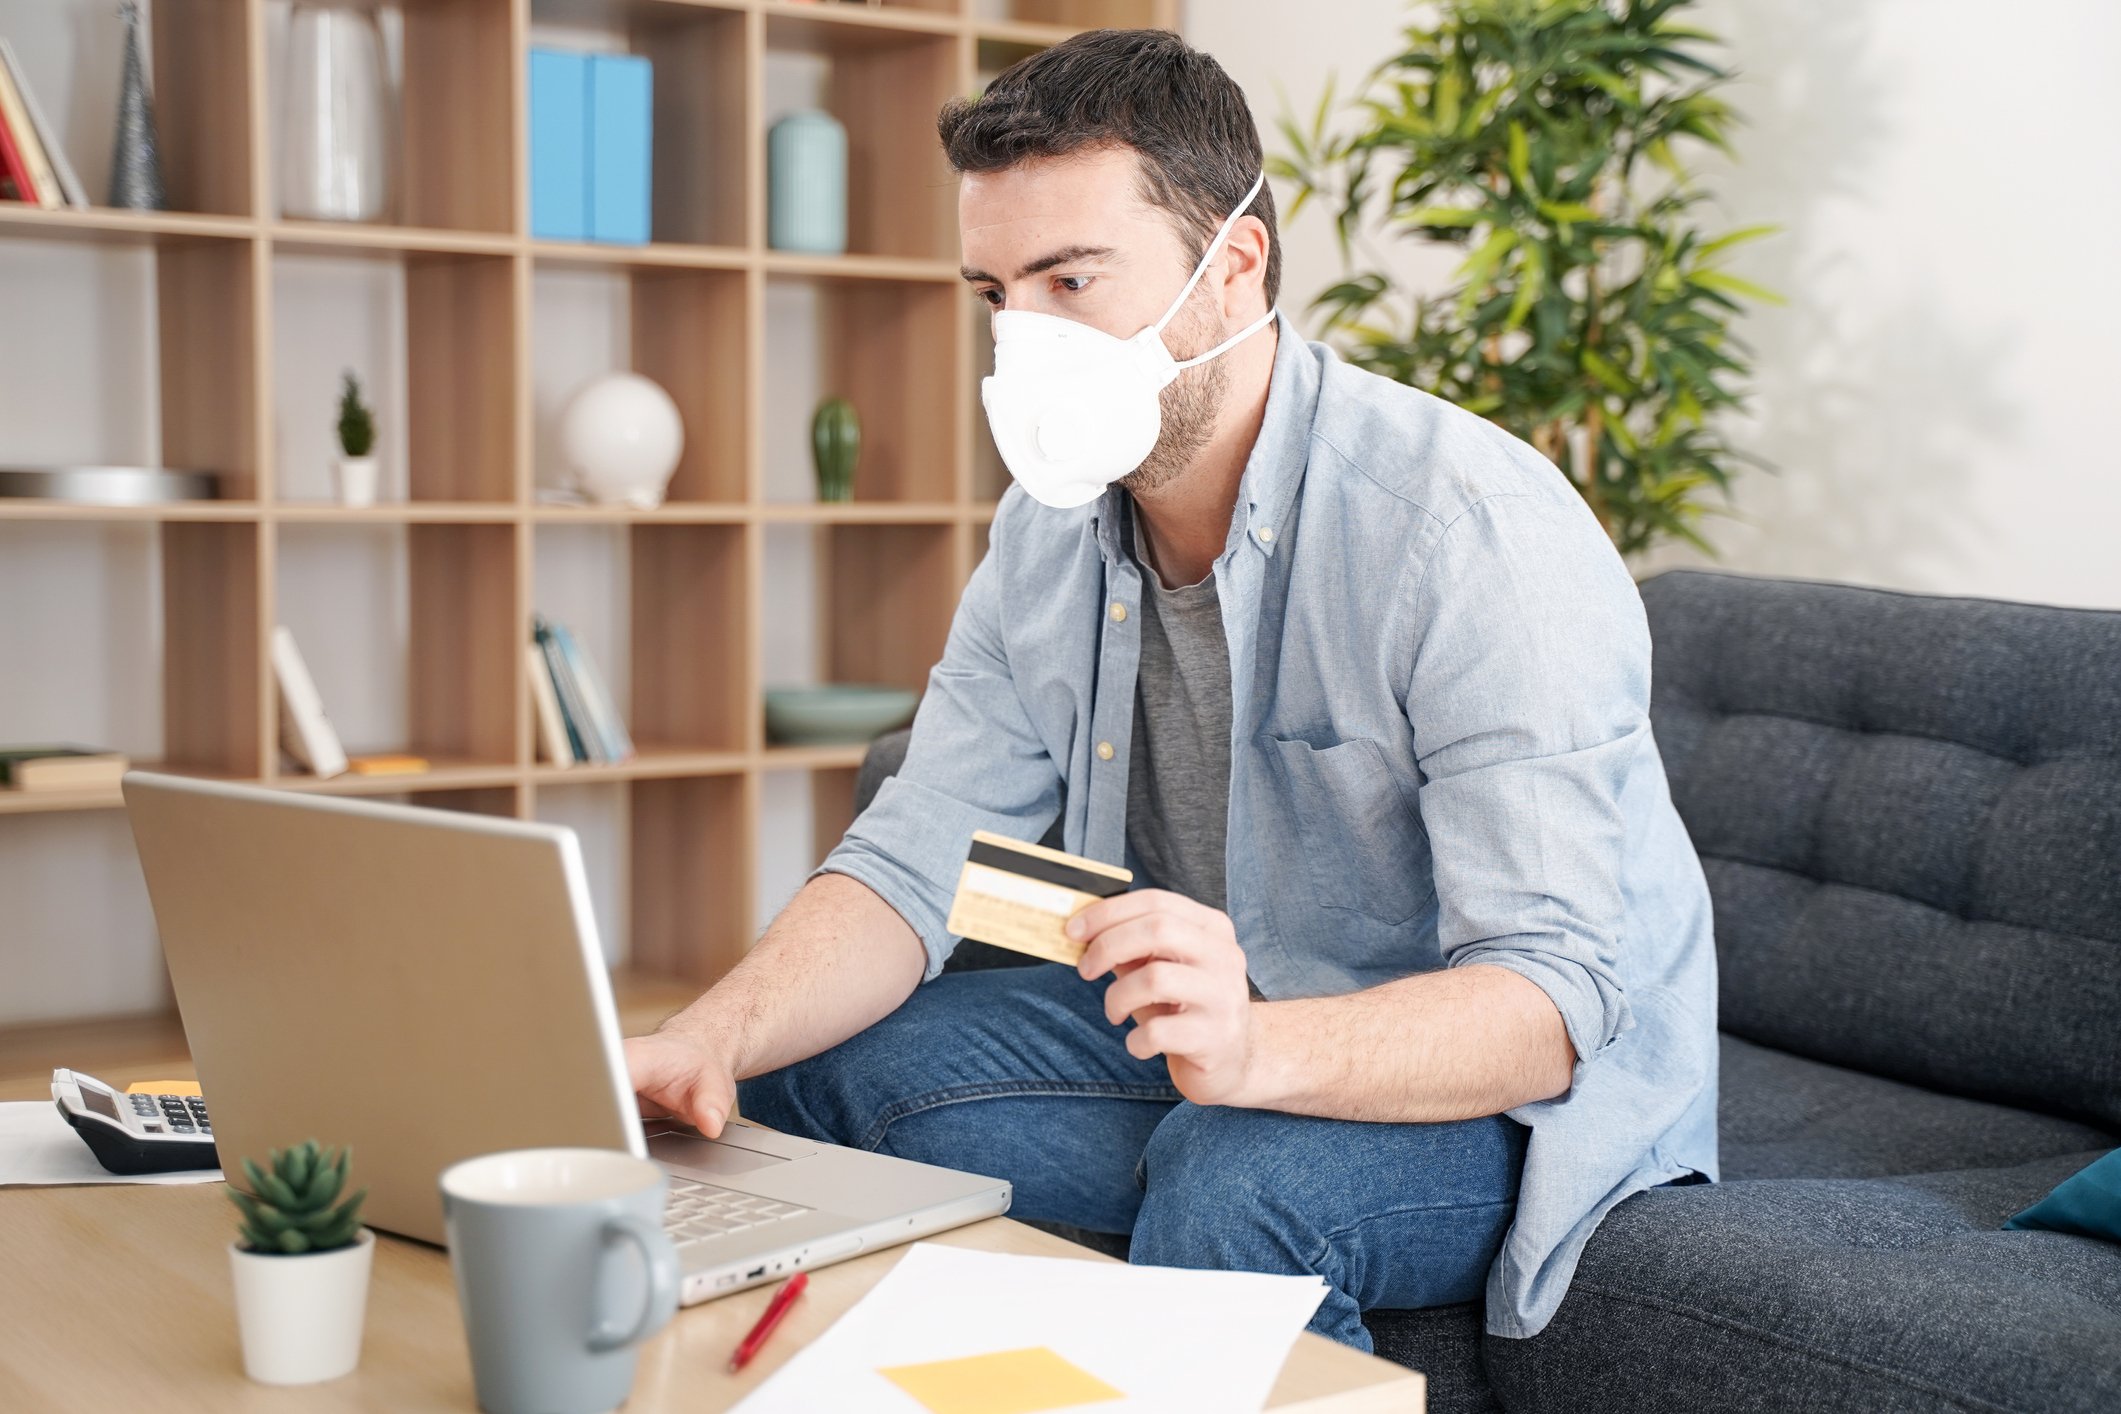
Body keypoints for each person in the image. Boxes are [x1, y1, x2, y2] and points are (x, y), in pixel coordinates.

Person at [627, 27, 1717, 1349]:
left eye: (1070, 280)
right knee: (784, 1082)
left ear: (1233, 268)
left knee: (1236, 1182)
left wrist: (1258, 1052)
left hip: (1501, 1092)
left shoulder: (1463, 532)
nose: (1022, 340)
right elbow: (918, 863)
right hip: (1198, 1036)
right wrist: (705, 1034)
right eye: (993, 293)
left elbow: (1548, 1005)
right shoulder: (1047, 529)